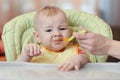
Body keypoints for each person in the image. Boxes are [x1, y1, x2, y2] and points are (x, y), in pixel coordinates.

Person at [16, 6, 89, 71]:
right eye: (49, 30)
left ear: (70, 32)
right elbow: (16, 69)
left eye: (62, 28)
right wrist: (26, 55)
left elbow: (88, 62)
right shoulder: (35, 52)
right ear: (37, 36)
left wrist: (78, 59)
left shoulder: (76, 51)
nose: (57, 34)